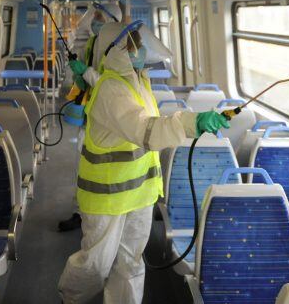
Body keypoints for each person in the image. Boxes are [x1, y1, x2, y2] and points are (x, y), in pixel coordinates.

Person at [58, 25, 230, 304]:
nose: (142, 52)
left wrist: (190, 119)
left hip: (139, 193)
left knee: (131, 262)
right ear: (119, 52)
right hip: (107, 196)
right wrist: (190, 123)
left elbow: (152, 119)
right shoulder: (112, 89)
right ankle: (71, 297)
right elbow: (145, 130)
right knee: (96, 264)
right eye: (135, 47)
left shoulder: (138, 81)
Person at [57, 9, 106, 232]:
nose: (94, 23)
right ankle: (80, 212)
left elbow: (108, 84)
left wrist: (86, 71)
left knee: (102, 171)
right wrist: (80, 74)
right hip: (90, 114)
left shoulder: (118, 50)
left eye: (99, 19)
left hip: (107, 120)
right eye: (94, 19)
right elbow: (89, 76)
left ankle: (98, 215)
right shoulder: (93, 42)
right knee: (82, 167)